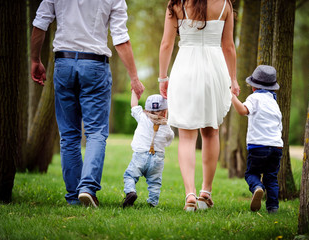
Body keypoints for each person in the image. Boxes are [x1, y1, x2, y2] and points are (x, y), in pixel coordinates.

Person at [30, 0, 145, 208]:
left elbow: (40, 23)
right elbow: (121, 38)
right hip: (94, 65)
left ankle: (74, 196)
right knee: (96, 132)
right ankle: (87, 188)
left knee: (69, 135)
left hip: (63, 63)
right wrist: (134, 78)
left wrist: (34, 59)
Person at [158, 0, 239, 211]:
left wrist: (162, 77)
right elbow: (228, 47)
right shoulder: (224, 5)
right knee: (211, 132)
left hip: (185, 68)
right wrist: (234, 79)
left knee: (186, 136)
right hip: (214, 70)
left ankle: (190, 195)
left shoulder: (176, 3)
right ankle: (206, 193)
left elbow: (166, 44)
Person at [231, 65, 283, 213]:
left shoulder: (254, 98)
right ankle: (273, 208)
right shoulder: (274, 103)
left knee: (251, 173)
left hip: (258, 146)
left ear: (254, 87)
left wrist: (232, 96)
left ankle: (257, 188)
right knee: (271, 178)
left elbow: (242, 110)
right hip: (276, 147)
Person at [122, 92, 174, 208]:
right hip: (157, 159)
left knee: (130, 176)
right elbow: (169, 140)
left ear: (146, 109)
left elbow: (134, 105)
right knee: (155, 182)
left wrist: (134, 91)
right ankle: (153, 203)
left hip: (140, 156)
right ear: (165, 111)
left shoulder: (142, 117)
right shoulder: (167, 127)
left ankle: (130, 192)